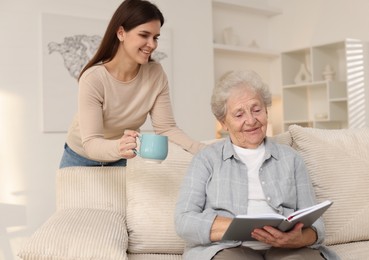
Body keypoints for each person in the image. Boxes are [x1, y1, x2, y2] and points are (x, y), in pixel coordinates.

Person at [175, 70, 340, 260]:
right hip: (228, 249)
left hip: (287, 250)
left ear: (267, 111)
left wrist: (299, 239)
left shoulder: (291, 158)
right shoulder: (206, 159)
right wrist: (236, 227)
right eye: (239, 114)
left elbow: (317, 225)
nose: (251, 120)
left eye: (256, 109)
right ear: (224, 123)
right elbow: (184, 220)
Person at [59, 0, 205, 168]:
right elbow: (91, 143)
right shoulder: (94, 78)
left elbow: (167, 129)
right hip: (80, 157)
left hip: (121, 157)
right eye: (144, 35)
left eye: (155, 37)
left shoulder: (155, 74)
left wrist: (202, 149)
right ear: (121, 33)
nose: (152, 44)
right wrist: (119, 146)